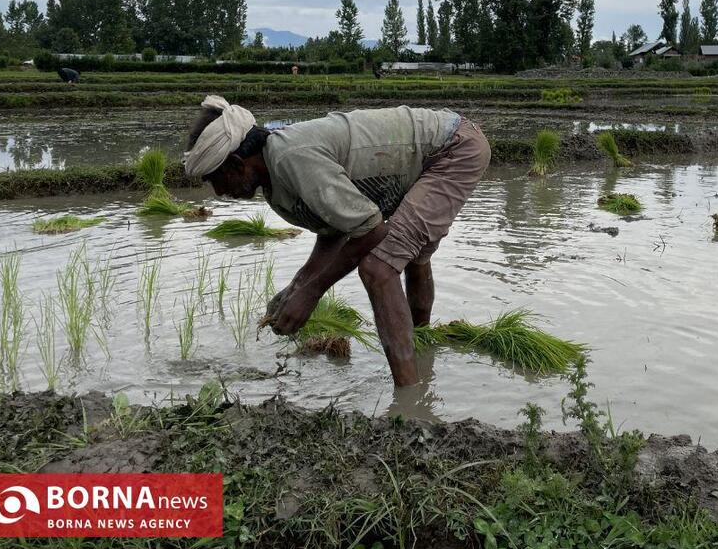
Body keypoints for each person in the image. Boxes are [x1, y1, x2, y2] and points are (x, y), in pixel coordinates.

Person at [183, 96, 490, 386]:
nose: (219, 193)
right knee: (409, 254)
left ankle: (409, 403)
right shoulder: (275, 176)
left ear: (238, 163)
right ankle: (420, 351)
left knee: (378, 268)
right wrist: (298, 285)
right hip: (431, 155)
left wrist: (312, 292)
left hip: (452, 149)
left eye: (215, 179)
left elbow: (371, 230)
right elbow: (336, 228)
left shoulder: (291, 157)